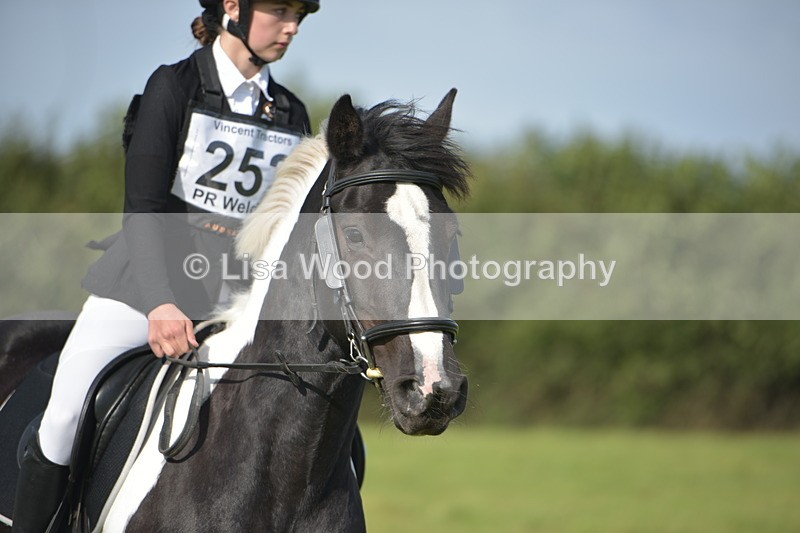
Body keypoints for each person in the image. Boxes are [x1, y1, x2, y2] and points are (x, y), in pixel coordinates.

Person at [12, 1, 319, 531]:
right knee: (63, 416)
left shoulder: (292, 114)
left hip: (232, 305)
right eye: (279, 11)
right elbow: (143, 208)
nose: (291, 27)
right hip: (144, 290)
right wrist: (160, 303)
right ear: (233, 7)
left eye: (299, 15)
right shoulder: (173, 87)